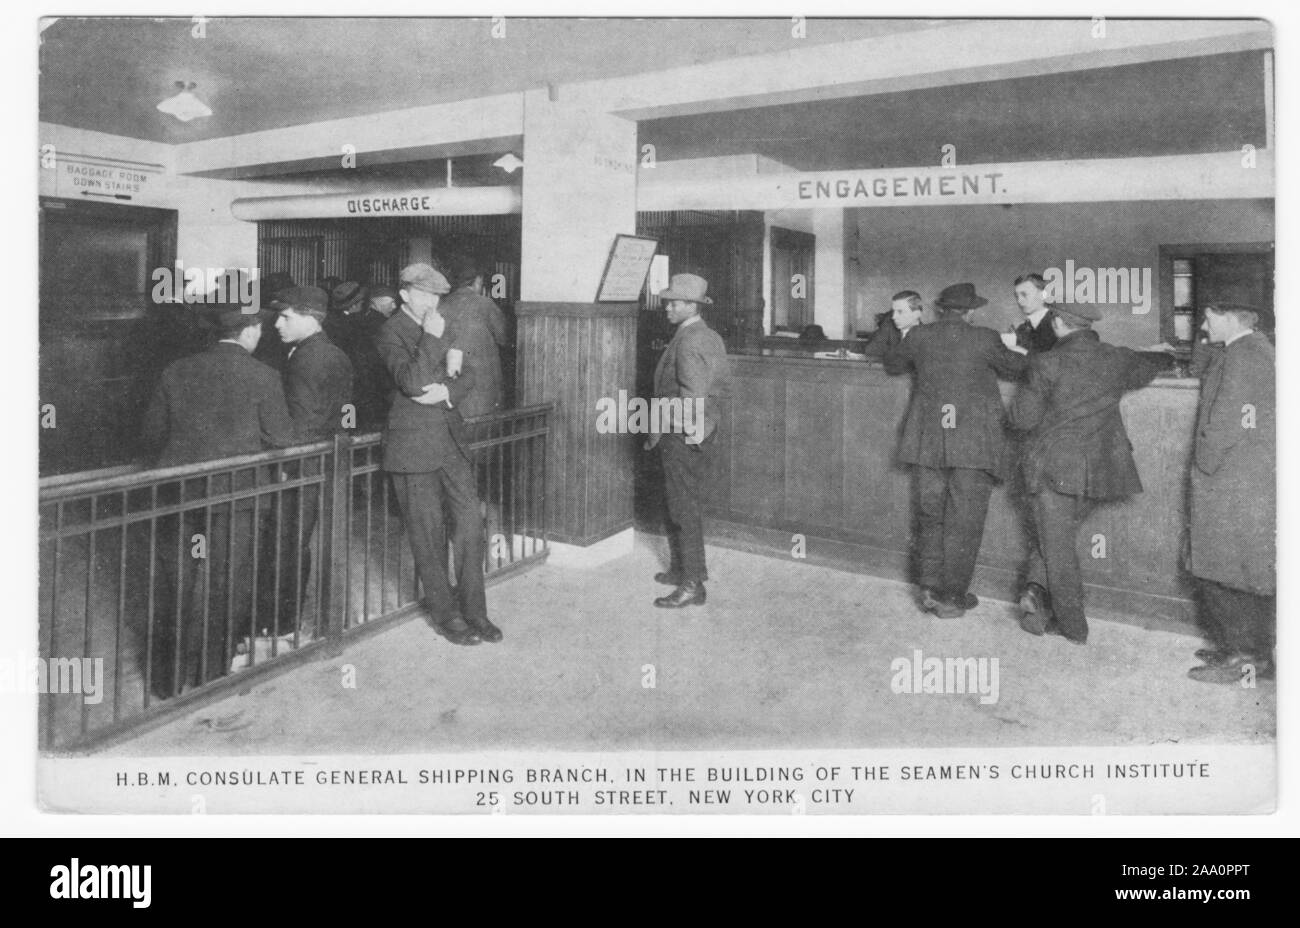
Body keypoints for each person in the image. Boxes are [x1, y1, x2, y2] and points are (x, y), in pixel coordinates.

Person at [140, 302, 301, 697]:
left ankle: (167, 681)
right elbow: (282, 437)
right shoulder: (264, 375)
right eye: (259, 329)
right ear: (247, 333)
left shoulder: (175, 370)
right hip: (238, 495)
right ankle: (210, 676)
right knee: (227, 584)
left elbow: (151, 434)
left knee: (177, 583)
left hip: (180, 493)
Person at [1008, 303, 1169, 644]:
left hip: (1053, 469)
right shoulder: (1115, 357)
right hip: (1100, 471)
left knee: (1056, 546)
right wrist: (1164, 356)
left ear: (1058, 323)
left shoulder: (1045, 362)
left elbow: (1022, 419)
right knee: (1055, 538)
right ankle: (1036, 593)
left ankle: (1072, 626)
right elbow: (1149, 365)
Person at [884, 283, 1028, 618]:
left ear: (941, 309)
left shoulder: (919, 337)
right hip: (973, 444)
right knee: (966, 520)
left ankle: (930, 588)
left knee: (930, 515)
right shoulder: (985, 338)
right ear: (970, 311)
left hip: (927, 440)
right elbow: (1018, 369)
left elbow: (893, 364)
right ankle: (952, 597)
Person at [375, 263, 498, 645]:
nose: (433, 302)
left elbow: (469, 371)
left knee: (470, 527)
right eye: (425, 294)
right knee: (426, 535)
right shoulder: (388, 332)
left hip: (449, 437)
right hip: (411, 447)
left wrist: (447, 392)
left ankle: (476, 611)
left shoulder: (442, 322)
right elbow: (411, 381)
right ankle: (447, 616)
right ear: (405, 294)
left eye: (437, 296)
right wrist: (430, 340)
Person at [1185, 302, 1275, 683]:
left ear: (1229, 316)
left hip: (1231, 477)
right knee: (1231, 565)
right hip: (1241, 476)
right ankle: (1236, 644)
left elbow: (1229, 418)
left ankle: (1246, 656)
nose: (1204, 326)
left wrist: (1203, 461)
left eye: (1208, 318)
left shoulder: (1244, 355)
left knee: (1231, 567)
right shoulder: (1247, 348)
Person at [261, 286, 354, 633]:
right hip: (322, 460)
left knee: (286, 543)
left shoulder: (307, 359)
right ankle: (283, 620)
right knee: (293, 541)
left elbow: (301, 423)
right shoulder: (325, 352)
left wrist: (286, 466)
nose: (277, 324)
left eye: (286, 316)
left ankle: (278, 623)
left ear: (309, 318)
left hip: (301, 465)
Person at [647, 273, 728, 608]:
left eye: (674, 302)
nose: (668, 307)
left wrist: (679, 433)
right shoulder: (707, 335)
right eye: (667, 301)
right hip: (699, 431)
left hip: (682, 434)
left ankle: (692, 583)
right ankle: (683, 570)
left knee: (683, 507)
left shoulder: (690, 340)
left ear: (692, 305)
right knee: (682, 503)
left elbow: (692, 395)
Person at [438, 254, 509, 419]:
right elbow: (503, 337)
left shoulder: (441, 304)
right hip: (483, 383)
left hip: (451, 385)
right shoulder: (485, 304)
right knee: (485, 431)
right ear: (477, 281)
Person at [1001, 272, 1058, 354]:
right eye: (1016, 296)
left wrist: (1025, 353)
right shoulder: (1021, 329)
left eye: (1024, 294)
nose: (1019, 301)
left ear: (1043, 295)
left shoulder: (1059, 323)